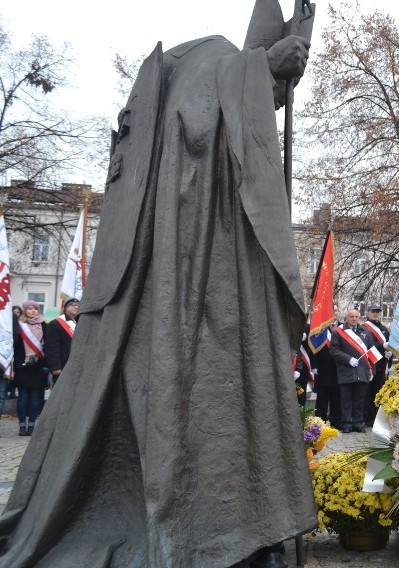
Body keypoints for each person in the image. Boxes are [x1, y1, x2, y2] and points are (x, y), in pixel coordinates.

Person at [0, 2, 315, 566]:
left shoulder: (203, 74)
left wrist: (272, 71)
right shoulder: (206, 61)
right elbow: (202, 120)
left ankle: (238, 527)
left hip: (195, 277)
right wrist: (264, 68)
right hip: (190, 278)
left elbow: (238, 116)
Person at [329, 308, 376, 433]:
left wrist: (372, 370)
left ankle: (357, 423)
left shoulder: (366, 331)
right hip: (346, 370)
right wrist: (348, 359)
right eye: (351, 316)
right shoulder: (339, 332)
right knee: (346, 400)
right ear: (347, 318)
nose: (354, 319)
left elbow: (371, 352)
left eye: (356, 316)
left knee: (360, 400)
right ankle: (346, 424)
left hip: (362, 371)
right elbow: (333, 350)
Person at [12, 300, 48, 437]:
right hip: (23, 367)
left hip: (38, 367)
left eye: (36, 308)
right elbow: (16, 346)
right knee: (23, 397)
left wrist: (47, 365)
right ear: (25, 311)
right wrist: (18, 363)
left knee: (35, 398)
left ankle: (32, 424)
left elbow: (48, 346)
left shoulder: (44, 326)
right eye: (30, 309)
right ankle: (22, 425)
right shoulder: (20, 326)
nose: (33, 311)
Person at [363, 305, 391, 426]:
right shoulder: (364, 328)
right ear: (368, 313)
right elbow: (366, 344)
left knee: (379, 392)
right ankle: (367, 418)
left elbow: (389, 343)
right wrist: (382, 346)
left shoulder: (384, 329)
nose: (375, 314)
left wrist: (390, 352)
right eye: (373, 312)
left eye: (377, 312)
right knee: (367, 393)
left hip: (381, 364)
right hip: (369, 364)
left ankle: (376, 418)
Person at [44, 298, 79, 388]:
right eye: (72, 305)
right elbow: (51, 347)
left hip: (78, 365)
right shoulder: (56, 324)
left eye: (78, 305)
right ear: (65, 308)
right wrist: (55, 367)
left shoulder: (80, 322)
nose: (76, 307)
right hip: (63, 365)